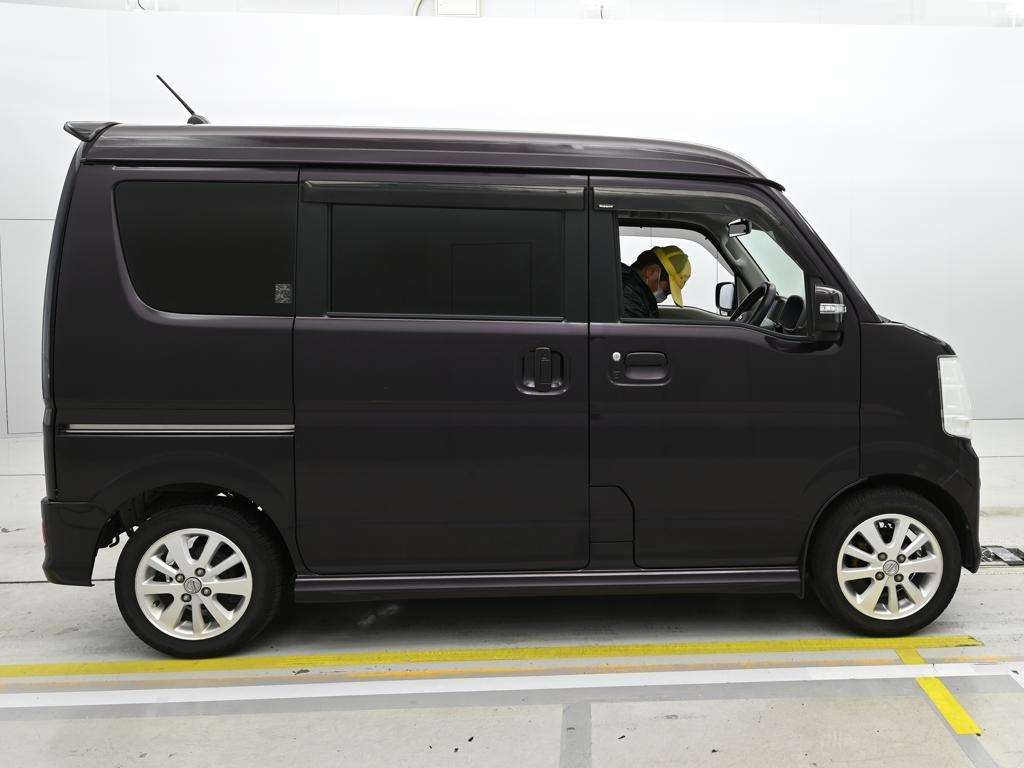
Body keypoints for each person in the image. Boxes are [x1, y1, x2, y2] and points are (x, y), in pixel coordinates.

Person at [621, 249, 667, 318]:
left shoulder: (631, 291)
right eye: (667, 290)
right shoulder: (630, 297)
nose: (664, 296)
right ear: (651, 272)